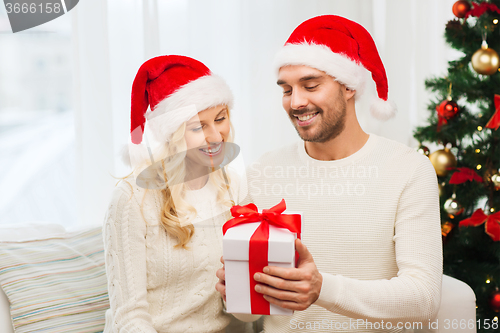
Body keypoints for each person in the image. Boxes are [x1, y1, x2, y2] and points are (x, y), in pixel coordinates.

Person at [216, 15, 442, 333]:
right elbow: (248, 316)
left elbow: (423, 300)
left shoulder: (407, 171)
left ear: (349, 86)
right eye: (286, 90)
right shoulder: (264, 172)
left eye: (310, 86)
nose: (296, 102)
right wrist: (237, 293)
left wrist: (322, 288)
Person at [103, 55, 250, 333]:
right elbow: (129, 317)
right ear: (171, 136)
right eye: (197, 127)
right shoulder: (133, 198)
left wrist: (243, 300)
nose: (217, 136)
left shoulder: (235, 186)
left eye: (220, 119)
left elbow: (248, 316)